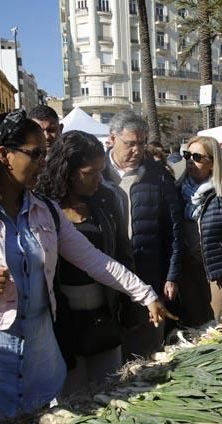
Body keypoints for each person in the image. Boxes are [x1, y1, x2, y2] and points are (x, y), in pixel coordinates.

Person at [0, 110, 173, 424]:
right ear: (4, 155)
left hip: (39, 351)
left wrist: (145, 294)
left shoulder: (45, 210)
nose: (44, 162)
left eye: (44, 154)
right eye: (35, 154)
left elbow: (94, 260)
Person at [36, 130, 136, 391]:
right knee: (72, 397)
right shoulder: (42, 205)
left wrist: (131, 304)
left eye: (101, 172)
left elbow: (122, 253)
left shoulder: (106, 199)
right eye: (89, 173)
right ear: (67, 171)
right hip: (60, 322)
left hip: (104, 315)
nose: (98, 180)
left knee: (112, 390)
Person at [102, 110, 182, 358]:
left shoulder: (158, 175)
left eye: (141, 143)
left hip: (148, 274)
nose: (137, 150)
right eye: (130, 144)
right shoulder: (94, 172)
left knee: (148, 350)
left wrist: (171, 275)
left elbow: (174, 229)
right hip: (106, 278)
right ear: (112, 139)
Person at [177, 136, 222, 322]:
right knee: (193, 325)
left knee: (218, 326)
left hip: (220, 272)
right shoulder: (177, 191)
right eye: (187, 155)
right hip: (188, 271)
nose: (190, 161)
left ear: (212, 162)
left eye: (197, 157)